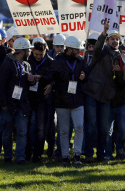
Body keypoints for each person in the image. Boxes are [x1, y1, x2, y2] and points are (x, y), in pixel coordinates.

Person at [83, 23, 123, 163]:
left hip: (106, 96)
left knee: (104, 129)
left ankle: (101, 155)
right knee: (91, 126)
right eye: (112, 38)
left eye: (117, 39)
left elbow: (122, 80)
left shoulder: (121, 56)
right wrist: (104, 32)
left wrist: (120, 71)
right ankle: (88, 154)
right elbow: (98, 46)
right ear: (107, 41)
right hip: (92, 93)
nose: (115, 41)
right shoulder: (102, 51)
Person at [50, 36, 87, 164]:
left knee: (79, 127)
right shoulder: (58, 60)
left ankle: (77, 155)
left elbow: (86, 75)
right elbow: (52, 77)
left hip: (77, 99)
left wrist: (84, 76)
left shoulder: (81, 60)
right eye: (76, 49)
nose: (78, 52)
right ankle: (65, 156)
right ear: (69, 49)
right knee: (64, 130)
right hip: (61, 101)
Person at [0, 38, 34, 164]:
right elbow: (0, 85)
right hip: (8, 105)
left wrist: (32, 80)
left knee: (22, 132)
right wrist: (3, 104)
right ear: (22, 51)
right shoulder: (7, 63)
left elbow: (29, 84)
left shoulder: (27, 65)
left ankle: (20, 158)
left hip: (22, 105)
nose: (30, 51)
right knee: (7, 132)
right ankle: (8, 157)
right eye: (28, 49)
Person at [26, 37, 54, 163]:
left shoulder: (50, 62)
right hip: (28, 98)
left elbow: (55, 78)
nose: (38, 56)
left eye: (41, 55)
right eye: (36, 54)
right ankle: (27, 152)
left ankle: (37, 154)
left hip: (43, 99)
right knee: (28, 127)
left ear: (45, 52)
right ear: (32, 51)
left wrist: (48, 82)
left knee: (41, 128)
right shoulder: (27, 60)